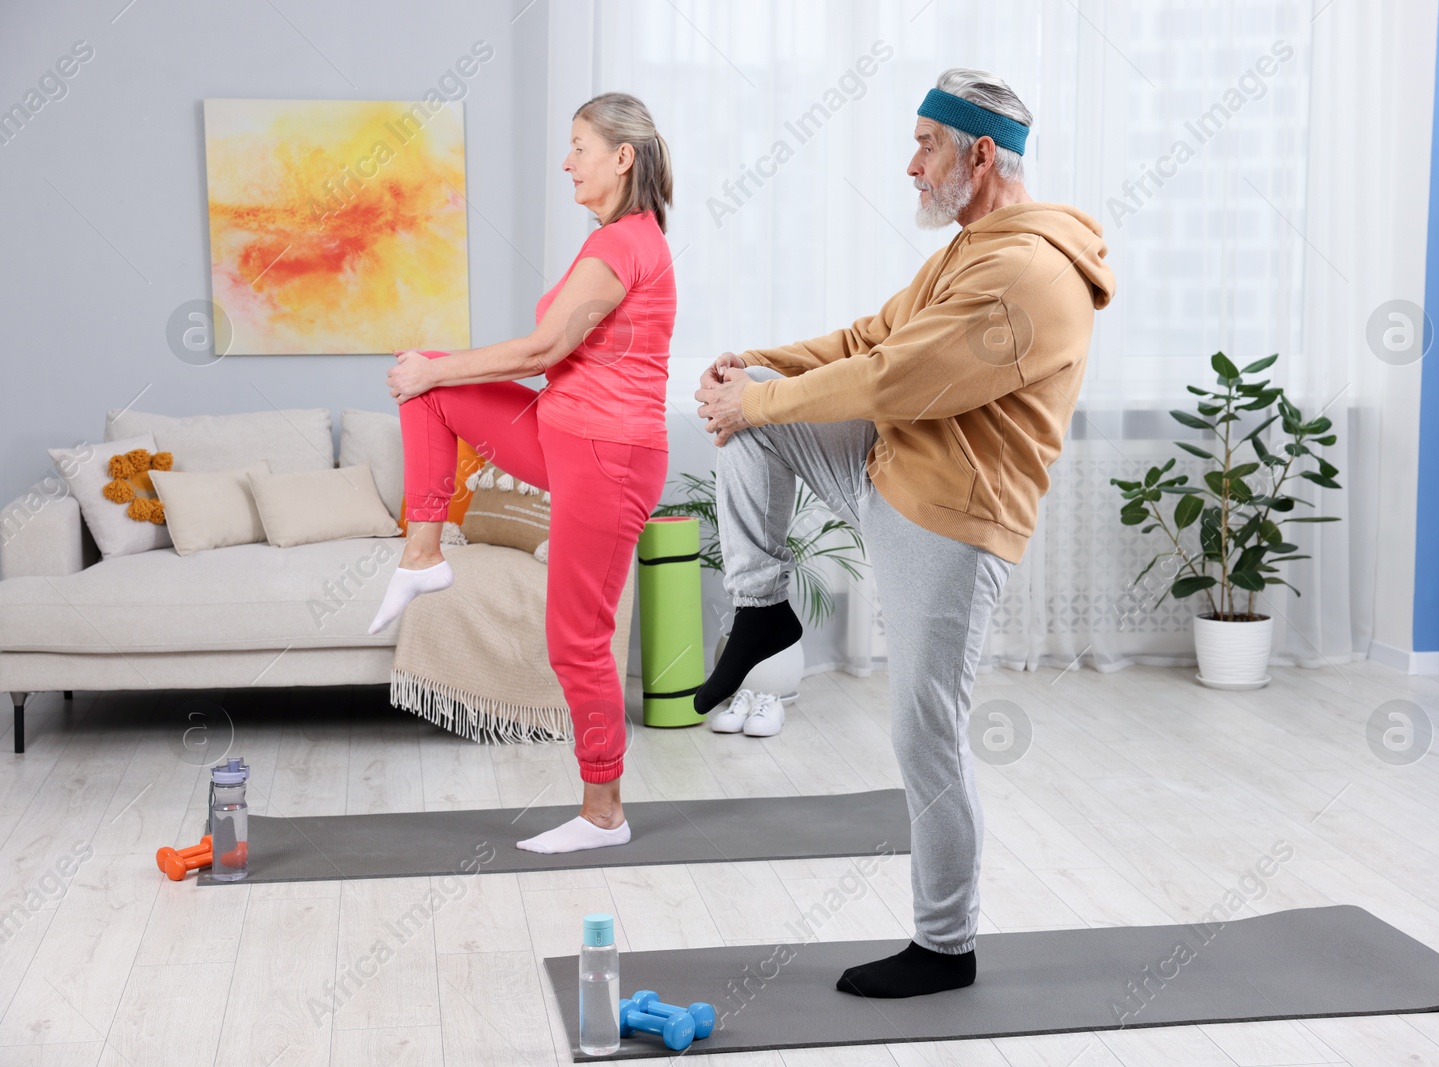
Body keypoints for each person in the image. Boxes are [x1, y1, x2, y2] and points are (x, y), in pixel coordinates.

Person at [694, 68, 1115, 998]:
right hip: (890, 474)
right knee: (746, 412)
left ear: (978, 153)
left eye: (925, 144)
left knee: (925, 730)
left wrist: (756, 392)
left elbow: (892, 381)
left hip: (949, 523)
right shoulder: (971, 246)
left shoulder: (1026, 273)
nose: (908, 164)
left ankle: (945, 944)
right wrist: (752, 370)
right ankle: (762, 610)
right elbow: (865, 340)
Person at [371, 92, 676, 855]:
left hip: (608, 455)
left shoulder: (624, 245)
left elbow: (544, 349)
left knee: (576, 637)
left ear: (621, 158)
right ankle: (423, 556)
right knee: (431, 382)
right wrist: (428, 372)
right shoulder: (610, 238)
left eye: (579, 146)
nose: (567, 161)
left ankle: (604, 811)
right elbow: (554, 362)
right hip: (560, 430)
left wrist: (431, 370)